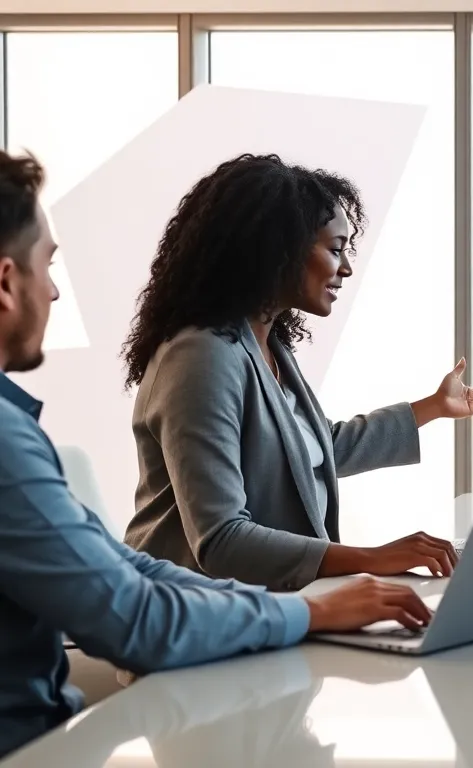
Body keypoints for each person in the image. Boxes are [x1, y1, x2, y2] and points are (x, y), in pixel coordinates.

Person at [0, 149, 433, 760]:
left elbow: (124, 565)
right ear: (5, 282)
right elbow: (166, 587)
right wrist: (313, 605)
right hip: (149, 687)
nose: (53, 291)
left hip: (220, 629)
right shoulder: (198, 356)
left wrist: (312, 602)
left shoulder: (270, 349)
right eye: (47, 265)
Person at [120, 154, 473, 592]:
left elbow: (316, 450)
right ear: (278, 249)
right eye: (336, 249)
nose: (346, 268)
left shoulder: (266, 345)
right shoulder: (201, 356)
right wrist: (372, 559)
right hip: (190, 610)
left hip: (266, 602)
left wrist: (433, 407)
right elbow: (222, 540)